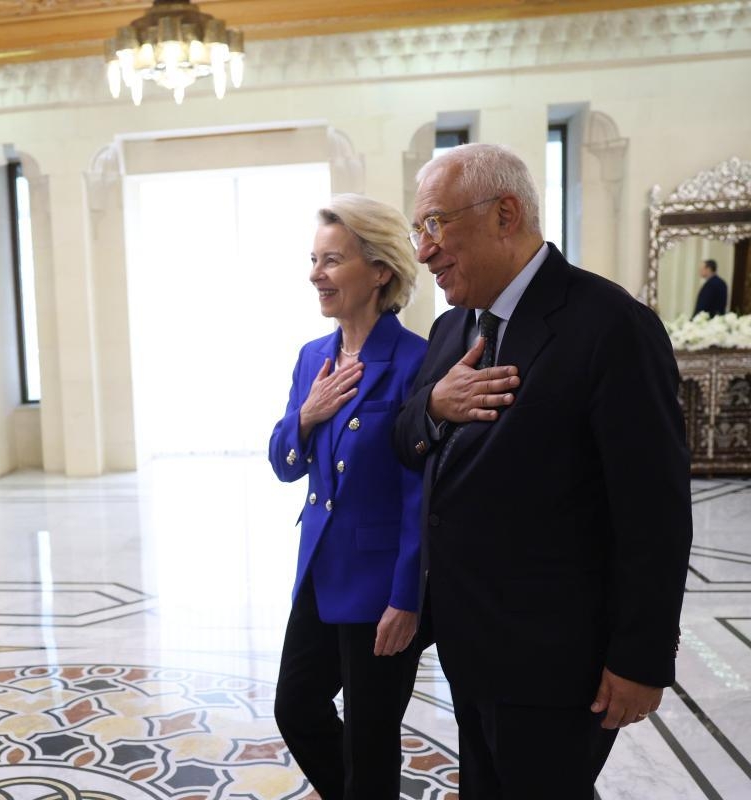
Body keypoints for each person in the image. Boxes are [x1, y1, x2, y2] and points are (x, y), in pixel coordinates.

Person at [393, 143, 692, 799]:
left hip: (558, 659)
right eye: (420, 230)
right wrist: (436, 406)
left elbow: (654, 512)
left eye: (437, 225)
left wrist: (641, 659)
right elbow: (405, 434)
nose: (423, 251)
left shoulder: (609, 327)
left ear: (505, 213)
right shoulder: (450, 332)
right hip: (471, 647)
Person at [269, 193, 427, 799]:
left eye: (332, 260)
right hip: (320, 571)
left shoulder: (415, 361)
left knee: (370, 737)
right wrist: (306, 417)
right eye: (314, 259)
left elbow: (421, 490)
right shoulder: (314, 357)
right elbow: (285, 463)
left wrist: (407, 594)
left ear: (380, 270)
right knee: (297, 707)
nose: (316, 274)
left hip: (381, 586)